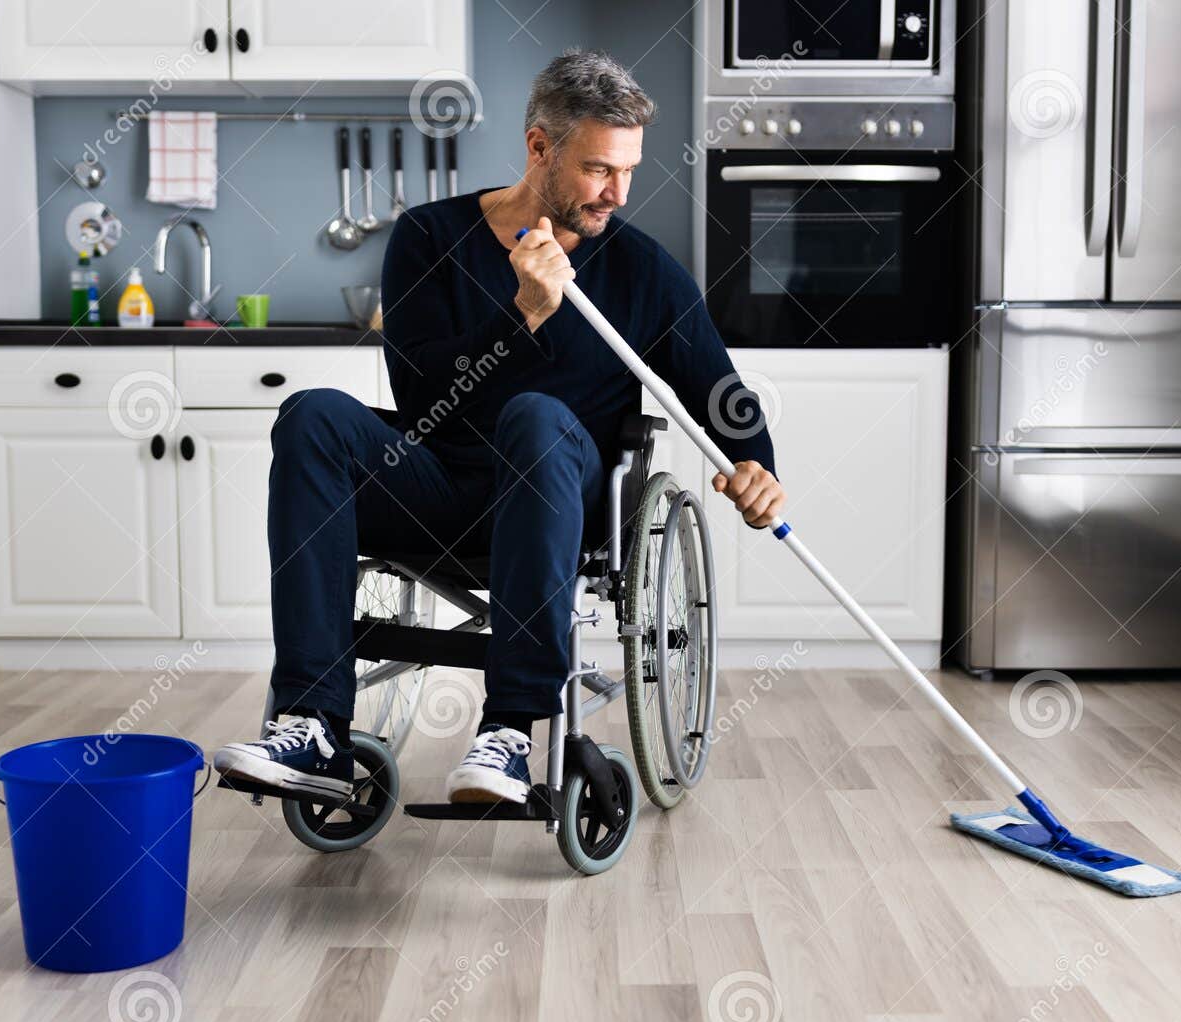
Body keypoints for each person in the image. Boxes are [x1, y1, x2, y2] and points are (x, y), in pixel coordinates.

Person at [212, 49, 784, 805]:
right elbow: (421, 395)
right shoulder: (429, 237)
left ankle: (509, 732)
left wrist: (755, 462)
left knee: (535, 415)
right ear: (539, 147)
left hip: (559, 497)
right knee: (312, 413)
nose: (617, 193)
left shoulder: (644, 272)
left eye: (628, 170)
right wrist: (521, 316)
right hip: (439, 485)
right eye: (598, 169)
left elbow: (721, 393)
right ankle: (315, 725)